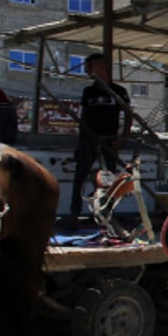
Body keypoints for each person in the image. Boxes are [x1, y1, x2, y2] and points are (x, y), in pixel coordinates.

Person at [70, 53, 132, 221]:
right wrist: (81, 141)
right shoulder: (89, 91)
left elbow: (128, 114)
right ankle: (74, 214)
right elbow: (83, 117)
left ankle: (107, 215)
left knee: (109, 180)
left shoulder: (118, 91)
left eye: (90, 66)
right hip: (90, 139)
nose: (87, 70)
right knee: (81, 176)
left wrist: (123, 137)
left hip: (110, 140)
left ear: (101, 68)